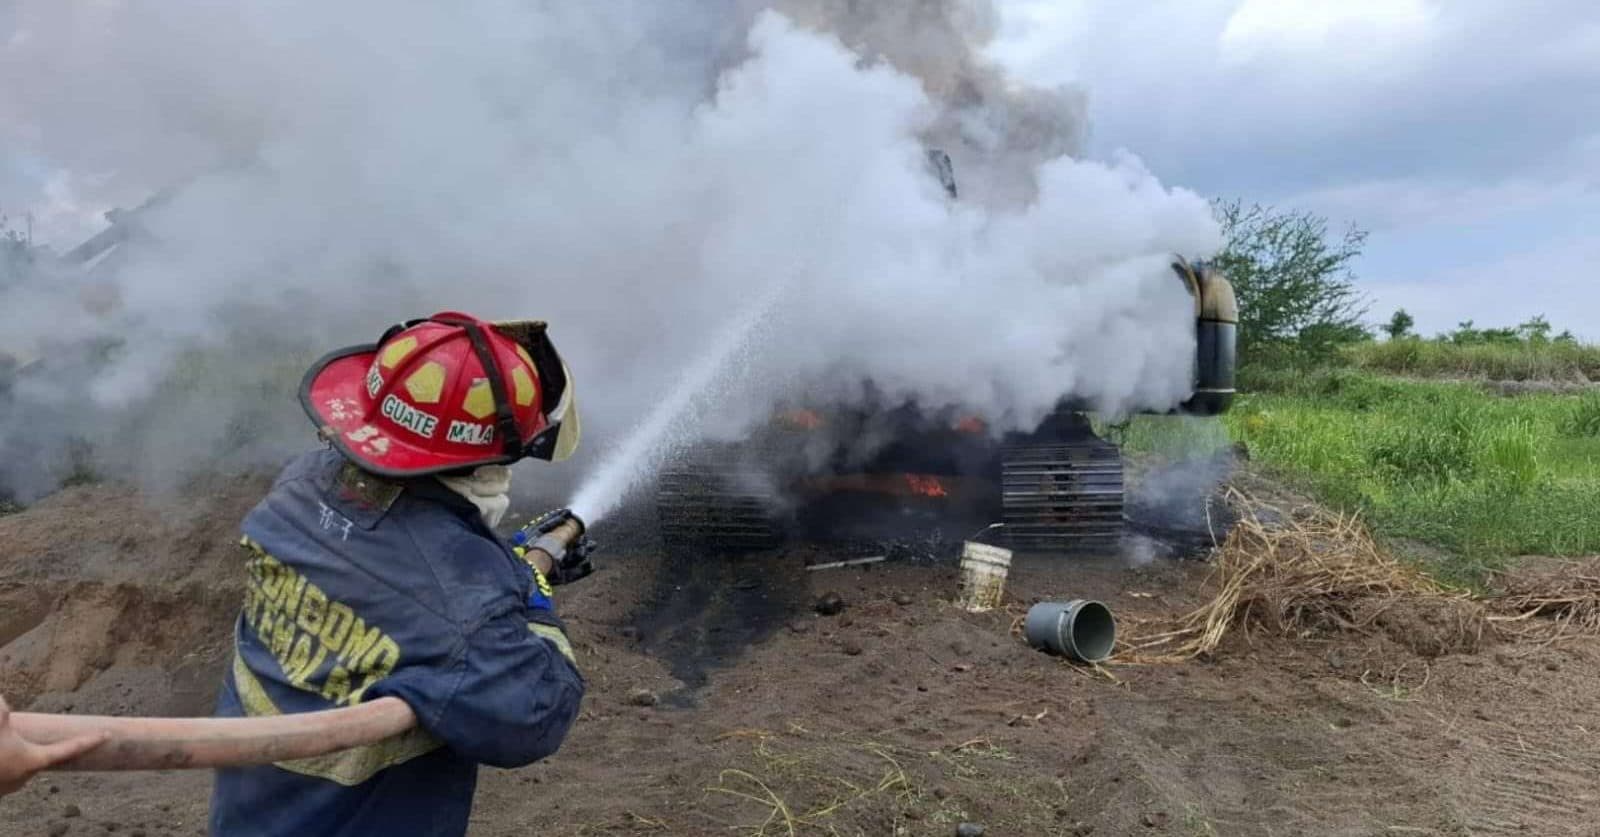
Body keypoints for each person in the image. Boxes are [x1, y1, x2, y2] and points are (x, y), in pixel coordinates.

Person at [209, 312, 590, 836]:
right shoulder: (461, 609)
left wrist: (492, 567)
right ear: (485, 465)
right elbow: (535, 714)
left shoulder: (303, 482)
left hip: (251, 814)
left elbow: (393, 559)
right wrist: (533, 597)